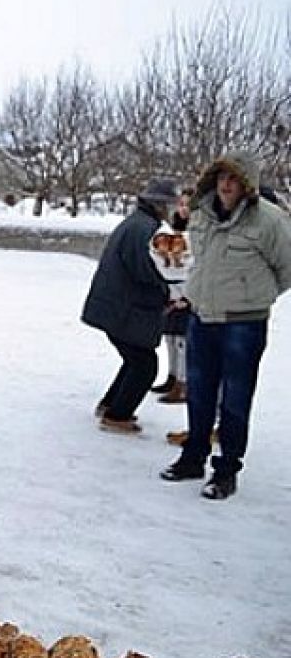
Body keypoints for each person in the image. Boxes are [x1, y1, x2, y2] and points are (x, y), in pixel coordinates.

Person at [160, 151, 291, 500]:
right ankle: (193, 458)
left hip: (243, 325)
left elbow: (287, 268)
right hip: (202, 317)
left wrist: (256, 296)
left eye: (233, 179)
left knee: (234, 400)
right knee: (199, 393)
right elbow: (196, 259)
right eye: (221, 178)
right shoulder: (202, 214)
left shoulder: (269, 221)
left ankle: (227, 470)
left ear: (247, 185)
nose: (226, 185)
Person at [81, 179, 178, 433]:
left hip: (115, 305)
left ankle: (111, 404)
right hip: (124, 307)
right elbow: (146, 270)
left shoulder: (138, 223)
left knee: (135, 359)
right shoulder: (144, 229)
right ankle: (117, 414)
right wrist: (169, 286)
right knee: (145, 365)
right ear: (160, 205)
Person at [152, 189, 192, 404]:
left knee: (183, 340)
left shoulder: (196, 232)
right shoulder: (171, 229)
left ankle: (183, 383)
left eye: (188, 205)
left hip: (188, 291)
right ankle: (172, 375)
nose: (183, 209)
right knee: (170, 335)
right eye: (182, 204)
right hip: (172, 289)